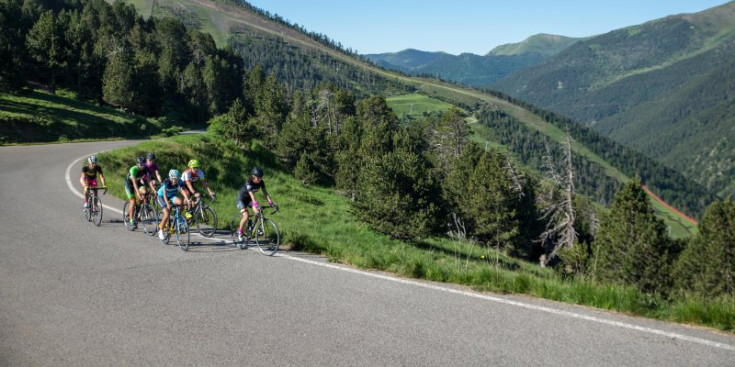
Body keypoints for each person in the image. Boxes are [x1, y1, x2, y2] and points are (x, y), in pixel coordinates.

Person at [235, 166, 276, 241]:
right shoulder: (248, 182)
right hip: (241, 200)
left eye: (261, 177)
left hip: (249, 200)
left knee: (258, 212)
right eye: (258, 178)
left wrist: (271, 202)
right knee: (246, 216)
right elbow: (251, 195)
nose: (260, 179)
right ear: (253, 176)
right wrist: (256, 203)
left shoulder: (261, 182)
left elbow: (265, 193)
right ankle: (240, 232)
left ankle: (251, 228)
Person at [157, 169, 189, 240]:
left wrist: (187, 199)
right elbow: (164, 195)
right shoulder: (167, 182)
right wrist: (168, 204)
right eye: (175, 179)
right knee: (167, 213)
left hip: (171, 195)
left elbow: (183, 190)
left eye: (177, 179)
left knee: (180, 202)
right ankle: (161, 230)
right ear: (171, 178)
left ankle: (178, 216)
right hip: (161, 196)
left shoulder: (179, 181)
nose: (176, 181)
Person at [125, 156, 149, 229]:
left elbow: (149, 180)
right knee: (133, 200)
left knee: (145, 192)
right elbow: (134, 183)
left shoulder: (145, 169)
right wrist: (138, 193)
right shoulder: (133, 169)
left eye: (143, 164)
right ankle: (131, 220)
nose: (142, 166)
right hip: (130, 184)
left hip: (138, 183)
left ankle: (137, 209)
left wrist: (154, 190)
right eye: (141, 165)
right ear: (137, 164)